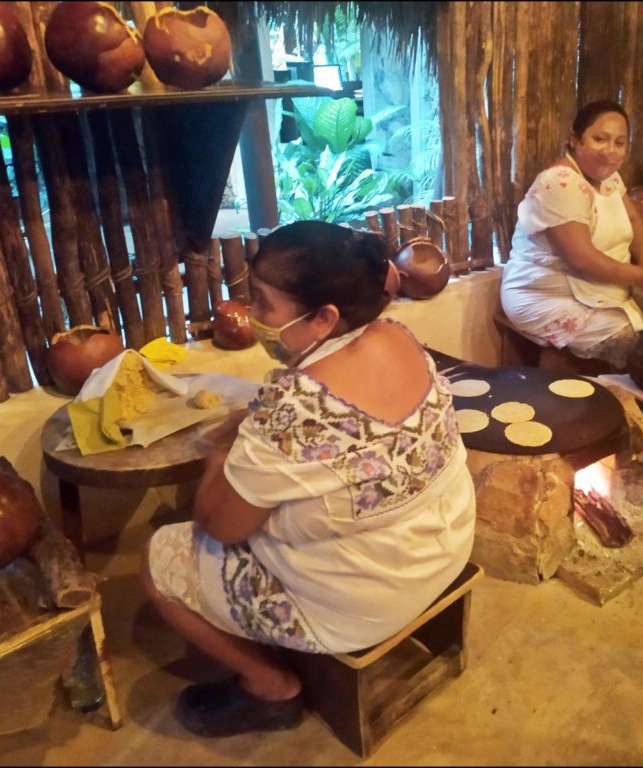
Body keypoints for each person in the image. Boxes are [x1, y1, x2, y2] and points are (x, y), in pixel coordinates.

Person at [140, 221, 476, 737]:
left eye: (263, 304)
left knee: (160, 555)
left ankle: (271, 689)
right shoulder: (398, 336)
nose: (252, 317)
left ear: (324, 317)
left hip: (371, 603)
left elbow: (219, 526)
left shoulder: (294, 408)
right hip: (447, 546)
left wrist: (216, 453)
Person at [500, 99, 643, 368]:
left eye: (619, 143)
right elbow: (582, 259)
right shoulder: (559, 183)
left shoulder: (609, 176)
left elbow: (634, 218)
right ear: (575, 140)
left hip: (598, 290)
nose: (610, 152)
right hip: (545, 296)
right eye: (600, 139)